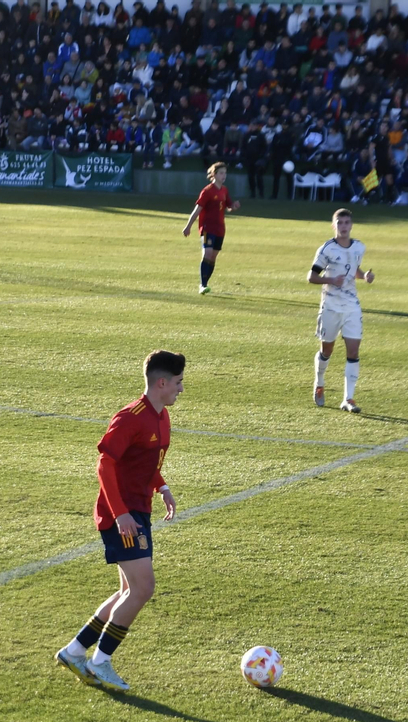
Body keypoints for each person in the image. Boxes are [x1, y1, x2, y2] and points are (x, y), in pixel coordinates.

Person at [56, 350, 186, 693]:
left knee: (128, 590)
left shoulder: (162, 416)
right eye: (177, 382)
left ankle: (75, 651)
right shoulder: (131, 418)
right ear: (161, 383)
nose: (181, 389)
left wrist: (163, 487)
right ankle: (100, 662)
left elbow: (146, 463)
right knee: (143, 588)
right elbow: (105, 464)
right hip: (122, 515)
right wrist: (120, 514)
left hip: (138, 509)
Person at [309, 208, 375, 411]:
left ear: (351, 225)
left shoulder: (359, 248)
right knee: (326, 350)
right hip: (330, 305)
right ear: (334, 226)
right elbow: (311, 277)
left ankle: (348, 399)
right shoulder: (326, 249)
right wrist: (330, 280)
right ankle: (319, 383)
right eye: (340, 223)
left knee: (353, 351)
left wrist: (364, 276)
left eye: (347, 223)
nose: (343, 227)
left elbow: (353, 268)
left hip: (351, 306)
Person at [181, 162, 239, 295]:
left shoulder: (224, 190)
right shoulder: (207, 191)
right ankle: (202, 285)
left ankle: (206, 282)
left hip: (220, 229)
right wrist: (188, 226)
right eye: (221, 173)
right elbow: (197, 209)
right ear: (214, 174)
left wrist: (234, 206)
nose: (224, 176)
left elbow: (228, 206)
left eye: (225, 173)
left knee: (212, 258)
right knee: (207, 254)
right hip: (207, 228)